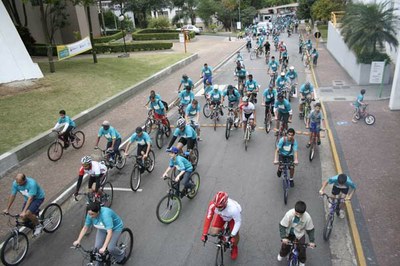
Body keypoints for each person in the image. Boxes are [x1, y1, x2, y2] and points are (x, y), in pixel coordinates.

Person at [201, 191, 242, 260]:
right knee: (212, 232)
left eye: (220, 207)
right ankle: (222, 232)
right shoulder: (213, 205)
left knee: (235, 236)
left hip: (232, 218)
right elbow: (208, 218)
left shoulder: (233, 209)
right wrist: (204, 233)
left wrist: (232, 235)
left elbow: (238, 222)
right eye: (216, 207)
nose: (217, 209)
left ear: (225, 203)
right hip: (222, 216)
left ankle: (234, 247)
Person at [277, 201, 316, 266]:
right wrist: (283, 237)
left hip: (299, 234)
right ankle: (282, 254)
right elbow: (282, 225)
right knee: (285, 245)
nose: (296, 214)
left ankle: (302, 261)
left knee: (302, 248)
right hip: (288, 233)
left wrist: (312, 241)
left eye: (299, 214)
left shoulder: (307, 217)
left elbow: (310, 230)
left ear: (303, 213)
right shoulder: (289, 214)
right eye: (296, 212)